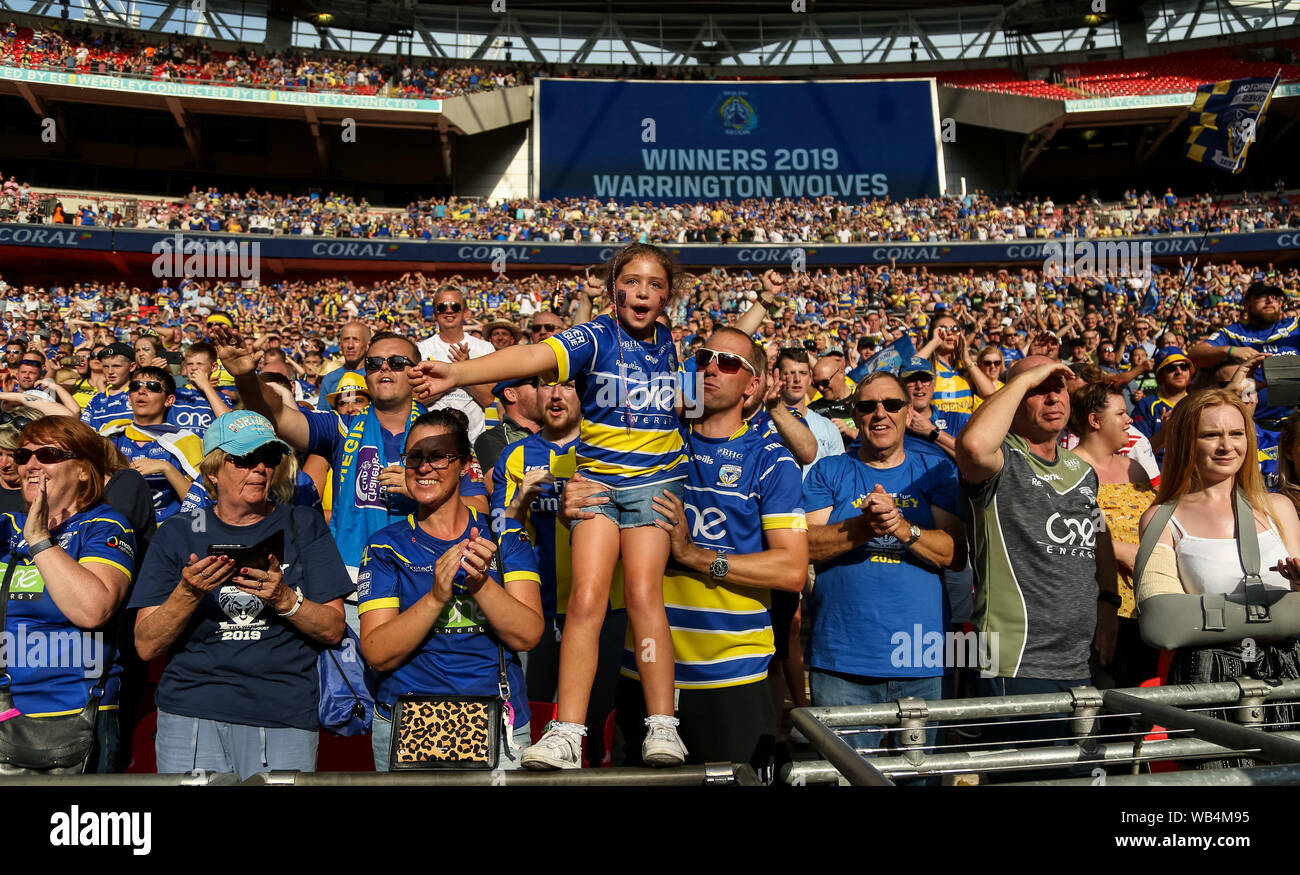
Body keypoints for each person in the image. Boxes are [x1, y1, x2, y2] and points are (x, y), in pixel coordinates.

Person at [411, 243, 691, 768]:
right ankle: (567, 730)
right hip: (597, 489)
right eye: (631, 281)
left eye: (655, 284)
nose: (643, 293)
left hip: (654, 487)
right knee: (585, 599)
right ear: (614, 289)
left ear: (668, 295)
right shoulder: (598, 335)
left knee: (642, 594)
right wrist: (462, 374)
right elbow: (533, 356)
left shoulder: (673, 344)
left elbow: (706, 392)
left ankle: (662, 726)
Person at [566, 329, 808, 773]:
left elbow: (792, 569)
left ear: (753, 386)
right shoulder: (646, 444)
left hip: (730, 676)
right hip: (641, 671)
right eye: (703, 357)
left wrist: (696, 555)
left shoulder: (772, 460)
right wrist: (576, 505)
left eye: (729, 363)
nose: (711, 367)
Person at [130, 411, 352, 779]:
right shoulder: (180, 532)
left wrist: (284, 599)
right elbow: (146, 645)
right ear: (214, 470)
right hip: (191, 710)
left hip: (280, 710)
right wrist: (187, 593)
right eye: (245, 459)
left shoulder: (302, 523)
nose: (260, 469)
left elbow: (332, 628)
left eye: (269, 458)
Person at [215, 326, 488, 587]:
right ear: (366, 375)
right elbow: (276, 416)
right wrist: (246, 378)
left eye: (395, 361)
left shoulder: (443, 433)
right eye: (374, 363)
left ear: (416, 372)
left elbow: (480, 507)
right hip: (352, 578)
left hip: (425, 577)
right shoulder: (339, 427)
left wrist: (421, 490)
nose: (384, 367)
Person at [358, 410, 542, 771]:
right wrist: (436, 598)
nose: (424, 467)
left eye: (439, 456)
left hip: (497, 717)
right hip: (406, 719)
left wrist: (481, 583)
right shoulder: (384, 547)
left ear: (465, 465)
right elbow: (377, 652)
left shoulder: (505, 537)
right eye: (414, 457)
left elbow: (528, 635)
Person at [1136, 389, 1300, 768]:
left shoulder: (1279, 507)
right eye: (1211, 435)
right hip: (1206, 678)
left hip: (1287, 671)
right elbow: (1163, 621)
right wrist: (1269, 610)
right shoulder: (1161, 518)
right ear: (1186, 442)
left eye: (1236, 433)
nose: (1227, 446)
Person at [804, 372, 966, 753]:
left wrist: (903, 529)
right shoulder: (828, 471)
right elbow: (805, 546)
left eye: (892, 404)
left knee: (921, 782)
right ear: (855, 414)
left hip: (922, 660)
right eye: (868, 406)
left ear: (909, 413)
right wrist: (866, 527)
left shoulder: (935, 469)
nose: (880, 414)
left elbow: (956, 553)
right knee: (846, 779)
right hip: (842, 659)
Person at [955, 356, 1119, 708]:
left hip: (1078, 660)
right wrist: (1021, 380)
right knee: (1026, 764)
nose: (1052, 398)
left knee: (1075, 765)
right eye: (1036, 390)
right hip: (1013, 663)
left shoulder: (1082, 470)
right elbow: (972, 446)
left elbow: (1098, 537)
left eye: (1058, 388)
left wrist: (1108, 603)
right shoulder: (1000, 459)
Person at [0, 416, 137, 774]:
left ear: (83, 471)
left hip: (69, 715)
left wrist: (40, 540)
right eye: (22, 455)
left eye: (47, 454)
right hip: (5, 706)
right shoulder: (5, 528)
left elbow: (93, 610)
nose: (31, 464)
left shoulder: (104, 526)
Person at [1068, 380, 1159, 689]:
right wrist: (1124, 552)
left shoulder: (1134, 468)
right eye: (1120, 413)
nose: (1129, 419)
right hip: (1102, 609)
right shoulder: (1070, 469)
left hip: (1146, 606)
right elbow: (1078, 530)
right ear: (1095, 421)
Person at [99, 367, 204, 524]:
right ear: (129, 397)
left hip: (167, 529)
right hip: (118, 528)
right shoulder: (109, 437)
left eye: (152, 387)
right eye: (135, 386)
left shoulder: (185, 441)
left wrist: (166, 468)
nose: (141, 391)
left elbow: (200, 504)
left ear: (169, 400)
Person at [1190, 281, 1299, 428]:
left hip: (1294, 421)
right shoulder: (1232, 333)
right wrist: (1230, 350)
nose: (1270, 300)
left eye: (1274, 297)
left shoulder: (1295, 326)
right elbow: (1195, 355)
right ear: (1246, 304)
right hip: (1250, 423)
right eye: (1262, 296)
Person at [416, 287, 495, 440]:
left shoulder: (485, 348)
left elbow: (487, 399)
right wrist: (453, 377)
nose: (449, 311)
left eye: (455, 306)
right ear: (434, 315)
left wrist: (464, 369)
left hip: (474, 443)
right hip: (432, 440)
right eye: (442, 307)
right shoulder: (421, 349)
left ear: (466, 313)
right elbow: (417, 399)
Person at [474, 376, 542, 486]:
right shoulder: (492, 439)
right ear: (511, 395)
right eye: (536, 384)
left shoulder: (559, 431)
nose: (546, 391)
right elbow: (499, 489)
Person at [1133, 346, 1194, 453]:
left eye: (1184, 366)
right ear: (1159, 377)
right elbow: (1137, 452)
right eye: (1171, 368)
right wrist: (1163, 435)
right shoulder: (1146, 405)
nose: (1179, 371)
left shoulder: (1198, 404)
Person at [80, 343, 135, 432]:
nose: (110, 371)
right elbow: (84, 432)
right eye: (105, 366)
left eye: (116, 366)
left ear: (132, 367)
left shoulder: (139, 394)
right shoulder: (95, 400)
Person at [316, 320, 369, 411]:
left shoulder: (377, 375)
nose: (350, 345)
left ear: (368, 345)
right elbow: (324, 418)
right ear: (340, 345)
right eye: (346, 339)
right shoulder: (330, 379)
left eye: (356, 339)